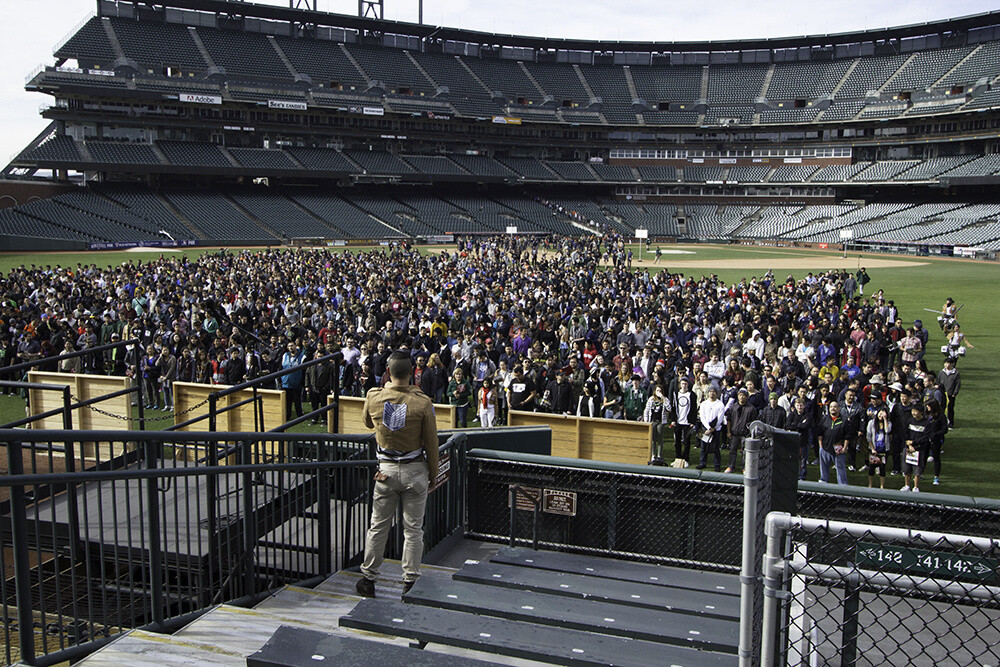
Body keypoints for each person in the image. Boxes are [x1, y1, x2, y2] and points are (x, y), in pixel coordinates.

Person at [357, 352, 439, 598]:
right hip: (414, 471)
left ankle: (369, 578)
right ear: (412, 371)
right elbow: (431, 443)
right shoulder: (422, 403)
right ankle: (410, 582)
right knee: (413, 530)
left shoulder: (374, 397)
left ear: (388, 372)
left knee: (378, 526)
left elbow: (367, 424)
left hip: (386, 471)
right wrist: (433, 474)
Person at [725, 388, 757, 474]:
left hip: (745, 434)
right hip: (734, 432)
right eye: (740, 395)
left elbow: (753, 422)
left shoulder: (751, 408)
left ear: (746, 397)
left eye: (743, 395)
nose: (741, 397)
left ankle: (744, 467)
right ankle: (731, 466)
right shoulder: (733, 407)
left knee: (745, 452)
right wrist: (728, 431)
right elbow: (729, 420)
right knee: (732, 450)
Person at [902, 403, 932, 493]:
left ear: (921, 412)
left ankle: (916, 487)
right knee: (907, 468)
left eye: (915, 412)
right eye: (912, 411)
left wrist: (914, 443)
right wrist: (909, 445)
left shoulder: (927, 423)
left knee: (917, 470)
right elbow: (905, 433)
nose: (913, 413)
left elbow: (925, 438)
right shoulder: (909, 421)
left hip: (919, 449)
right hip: (909, 448)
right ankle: (907, 485)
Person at [818, 401, 848, 485]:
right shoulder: (824, 419)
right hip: (825, 448)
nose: (833, 409)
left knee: (840, 469)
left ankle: (843, 485)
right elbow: (820, 434)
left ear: (839, 408)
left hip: (838, 450)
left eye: (835, 407)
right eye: (831, 407)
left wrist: (845, 447)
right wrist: (820, 446)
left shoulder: (844, 420)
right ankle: (823, 483)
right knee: (823, 468)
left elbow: (847, 436)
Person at [697, 387, 726, 472]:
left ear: (716, 393)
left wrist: (713, 428)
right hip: (704, 428)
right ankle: (702, 463)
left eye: (713, 392)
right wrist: (708, 428)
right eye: (710, 392)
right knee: (703, 447)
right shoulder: (704, 404)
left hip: (716, 429)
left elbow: (720, 419)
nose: (712, 393)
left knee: (716, 448)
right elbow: (702, 417)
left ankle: (717, 464)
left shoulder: (720, 404)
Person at [670, 376, 697, 468]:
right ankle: (678, 458)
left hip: (687, 422)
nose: (684, 385)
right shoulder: (675, 394)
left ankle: (686, 459)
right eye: (682, 384)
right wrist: (673, 419)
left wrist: (692, 421)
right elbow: (672, 408)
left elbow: (694, 409)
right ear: (680, 385)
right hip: (678, 421)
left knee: (687, 441)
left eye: (686, 384)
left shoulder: (692, 395)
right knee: (677, 441)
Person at [643, 384, 671, 465]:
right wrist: (646, 421)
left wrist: (663, 398)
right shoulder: (651, 399)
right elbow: (647, 410)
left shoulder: (665, 399)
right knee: (652, 439)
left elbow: (669, 409)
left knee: (659, 439)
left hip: (661, 421)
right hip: (652, 421)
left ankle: (659, 455)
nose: (659, 392)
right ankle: (653, 454)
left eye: (660, 391)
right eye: (657, 391)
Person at [866, 407, 891, 488]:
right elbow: (869, 436)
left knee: (882, 467)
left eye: (883, 413)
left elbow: (887, 431)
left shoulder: (888, 423)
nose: (881, 415)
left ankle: (882, 485)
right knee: (872, 467)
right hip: (874, 448)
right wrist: (872, 448)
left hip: (884, 449)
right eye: (880, 413)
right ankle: (870, 484)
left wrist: (885, 419)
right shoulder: (871, 423)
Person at [937, 357, 960, 428]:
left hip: (950, 394)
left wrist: (954, 394)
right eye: (946, 363)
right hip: (941, 394)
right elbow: (938, 381)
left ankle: (950, 423)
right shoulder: (941, 372)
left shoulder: (955, 373)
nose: (947, 365)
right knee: (941, 408)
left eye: (949, 363)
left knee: (950, 409)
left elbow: (958, 384)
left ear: (952, 364)